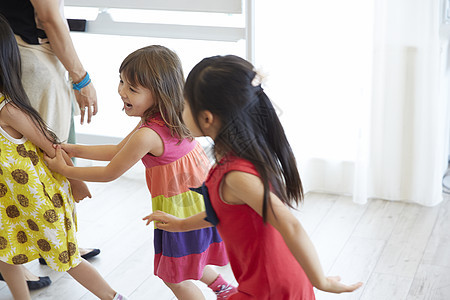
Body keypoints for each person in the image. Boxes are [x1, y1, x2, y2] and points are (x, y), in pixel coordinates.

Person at [142, 55, 364, 299]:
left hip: (271, 288)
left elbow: (290, 224)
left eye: (184, 105)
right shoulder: (234, 162)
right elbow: (225, 212)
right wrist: (181, 224)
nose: (179, 111)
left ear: (207, 118)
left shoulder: (237, 176)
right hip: (269, 282)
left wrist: (320, 281)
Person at [44, 45, 237, 300]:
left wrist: (64, 169)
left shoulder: (148, 134)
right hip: (199, 201)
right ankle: (224, 289)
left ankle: (221, 290)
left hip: (177, 210)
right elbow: (117, 150)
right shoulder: (169, 116)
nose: (122, 91)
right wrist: (73, 148)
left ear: (159, 93)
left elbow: (110, 172)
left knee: (175, 278)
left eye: (132, 88)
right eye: (122, 81)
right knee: (191, 257)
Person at [0, 14, 127, 300]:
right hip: (7, 201)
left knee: (65, 257)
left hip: (38, 201)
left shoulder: (9, 109)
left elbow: (53, 146)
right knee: (5, 257)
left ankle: (112, 296)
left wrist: (75, 181)